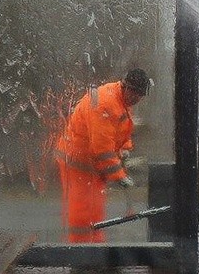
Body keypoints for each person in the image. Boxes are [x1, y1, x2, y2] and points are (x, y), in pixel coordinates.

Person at [55, 68, 151, 243]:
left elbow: (121, 129)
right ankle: (81, 254)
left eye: (141, 96)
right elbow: (102, 148)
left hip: (90, 165)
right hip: (77, 163)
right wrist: (119, 176)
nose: (137, 100)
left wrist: (125, 149)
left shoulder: (121, 100)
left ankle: (94, 247)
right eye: (136, 95)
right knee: (82, 211)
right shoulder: (105, 104)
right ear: (126, 87)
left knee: (95, 208)